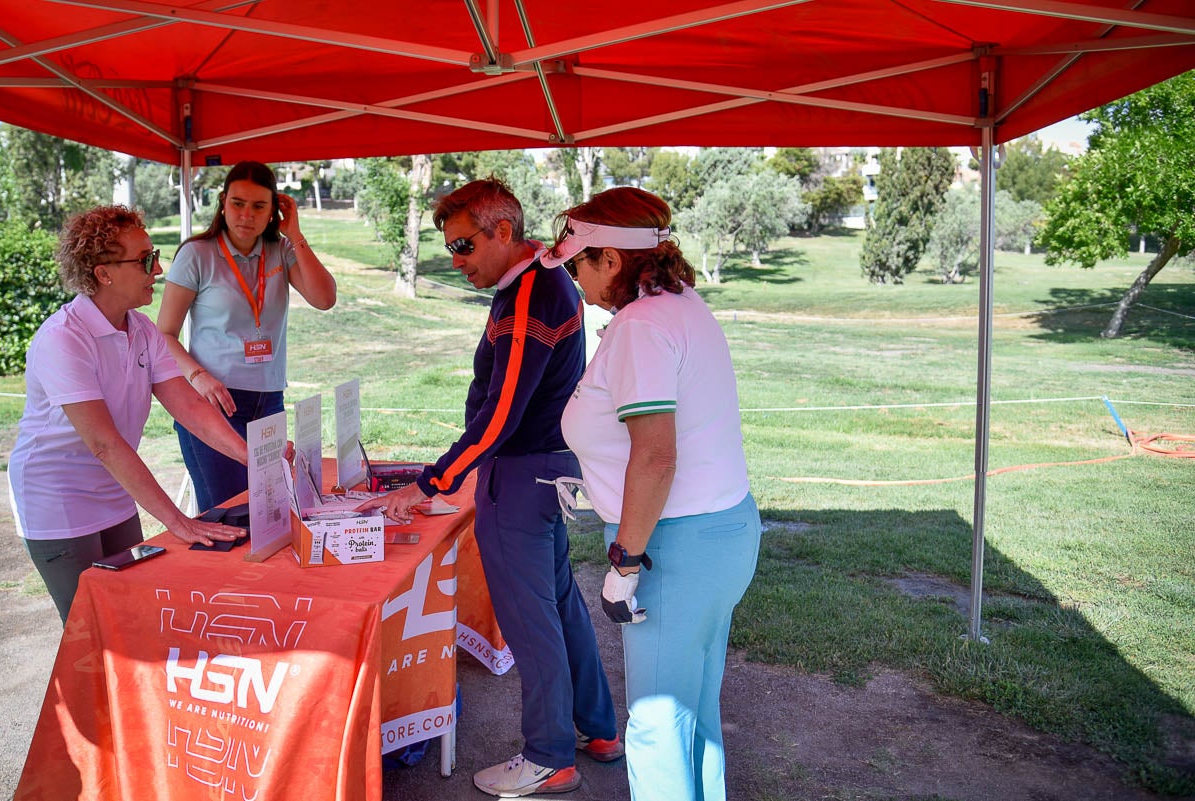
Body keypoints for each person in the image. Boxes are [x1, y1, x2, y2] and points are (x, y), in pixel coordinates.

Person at [356, 178, 621, 798]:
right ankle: (598, 728)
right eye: (449, 248)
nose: (456, 261)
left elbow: (499, 416)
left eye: (463, 246)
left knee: (532, 622)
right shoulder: (539, 283)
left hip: (520, 474)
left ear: (503, 231)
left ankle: (549, 755)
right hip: (545, 469)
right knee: (558, 606)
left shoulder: (530, 293)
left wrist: (432, 482)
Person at [545, 186, 763, 801]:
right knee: (692, 711)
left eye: (580, 264)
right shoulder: (679, 303)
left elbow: (657, 453)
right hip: (719, 534)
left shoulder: (642, 326)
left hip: (674, 545)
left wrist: (625, 560)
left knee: (655, 723)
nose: (577, 281)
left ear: (610, 260)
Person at [7, 206, 249, 623]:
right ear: (104, 273)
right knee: (91, 630)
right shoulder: (64, 339)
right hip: (58, 500)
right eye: (145, 260)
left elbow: (189, 406)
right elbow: (104, 444)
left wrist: (255, 458)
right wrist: (177, 522)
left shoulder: (140, 328)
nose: (157, 268)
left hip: (116, 495)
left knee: (132, 618)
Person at [158, 161, 336, 512]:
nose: (246, 215)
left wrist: (295, 233)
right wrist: (199, 376)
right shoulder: (197, 254)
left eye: (259, 206)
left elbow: (324, 299)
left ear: (274, 211)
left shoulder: (282, 251)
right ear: (223, 202)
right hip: (214, 403)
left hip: (268, 401)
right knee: (226, 514)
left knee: (268, 514)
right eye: (238, 203)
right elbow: (163, 334)